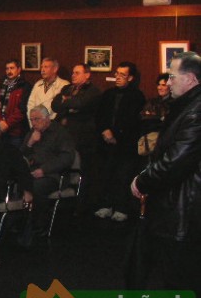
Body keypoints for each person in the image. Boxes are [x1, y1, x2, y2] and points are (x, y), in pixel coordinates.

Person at [131, 52, 201, 298]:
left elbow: (175, 162)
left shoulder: (195, 112)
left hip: (185, 211)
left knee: (181, 282)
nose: (167, 82)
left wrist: (142, 180)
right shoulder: (186, 106)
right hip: (175, 206)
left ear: (191, 79)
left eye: (172, 76)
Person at [94, 62, 145, 222]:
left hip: (126, 144)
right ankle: (105, 205)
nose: (118, 77)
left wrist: (115, 133)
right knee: (106, 174)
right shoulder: (108, 94)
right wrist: (105, 130)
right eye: (117, 73)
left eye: (122, 75)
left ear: (130, 78)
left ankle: (122, 207)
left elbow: (132, 120)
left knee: (123, 176)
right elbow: (100, 115)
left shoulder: (137, 96)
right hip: (106, 143)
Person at [51, 63, 101, 211]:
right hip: (64, 136)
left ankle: (80, 205)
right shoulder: (67, 89)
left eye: (77, 73)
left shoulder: (93, 91)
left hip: (82, 138)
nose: (73, 75)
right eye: (73, 72)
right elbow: (55, 105)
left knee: (81, 171)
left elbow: (81, 104)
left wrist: (66, 102)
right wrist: (68, 104)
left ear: (87, 75)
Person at [20, 105, 75, 233]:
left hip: (54, 174)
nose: (34, 123)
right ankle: (22, 222)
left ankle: (39, 224)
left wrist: (44, 170)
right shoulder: (31, 133)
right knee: (19, 183)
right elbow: (20, 156)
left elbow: (67, 158)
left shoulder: (60, 133)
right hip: (32, 171)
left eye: (37, 119)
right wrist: (30, 143)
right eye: (31, 120)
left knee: (37, 186)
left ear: (47, 119)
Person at [0, 59, 32, 147]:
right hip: (0, 129)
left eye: (12, 68)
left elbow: (22, 109)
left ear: (19, 69)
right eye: (7, 69)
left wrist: (7, 124)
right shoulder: (0, 85)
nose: (9, 71)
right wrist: (0, 121)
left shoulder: (25, 86)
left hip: (16, 132)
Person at [139, 73, 172, 138]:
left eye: (163, 85)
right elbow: (143, 118)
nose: (159, 87)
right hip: (149, 137)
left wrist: (154, 116)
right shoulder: (152, 102)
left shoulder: (174, 102)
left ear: (170, 86)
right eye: (158, 85)